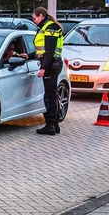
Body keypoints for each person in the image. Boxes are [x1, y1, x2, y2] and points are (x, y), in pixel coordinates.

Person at [32, 7, 64, 135]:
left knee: (49, 97)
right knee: (51, 95)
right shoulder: (48, 27)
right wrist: (27, 55)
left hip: (51, 66)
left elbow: (49, 51)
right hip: (53, 64)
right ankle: (54, 125)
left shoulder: (50, 28)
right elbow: (42, 50)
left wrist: (43, 68)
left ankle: (50, 125)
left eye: (34, 18)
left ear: (41, 16)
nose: (33, 21)